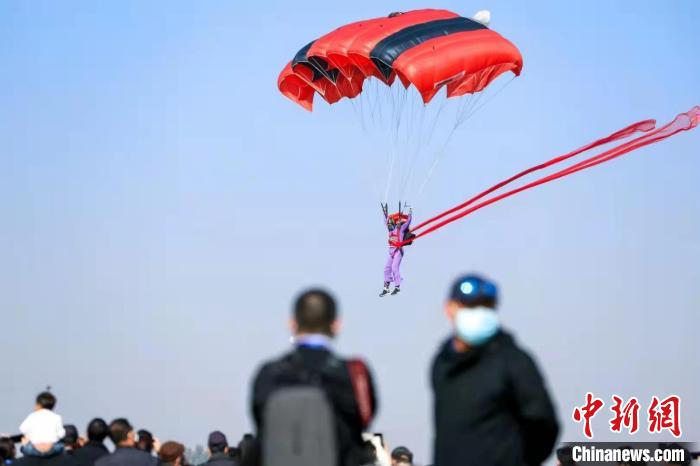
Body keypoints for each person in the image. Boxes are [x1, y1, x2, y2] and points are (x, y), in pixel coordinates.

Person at [431, 274, 559, 466]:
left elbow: (543, 423)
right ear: (450, 309)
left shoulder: (513, 360)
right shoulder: (442, 365)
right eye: (471, 306)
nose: (480, 312)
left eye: (487, 306)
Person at [251, 289, 378, 466]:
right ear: (336, 324)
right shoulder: (355, 375)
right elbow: (364, 420)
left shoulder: (268, 375)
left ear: (292, 324)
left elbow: (260, 423)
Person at [19, 392, 66, 457]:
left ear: (38, 405)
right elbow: (61, 434)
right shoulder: (57, 417)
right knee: (61, 446)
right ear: (53, 406)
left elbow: (22, 429)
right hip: (51, 450)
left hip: (34, 450)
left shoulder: (32, 416)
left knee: (24, 447)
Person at [380, 204, 413, 297]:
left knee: (394, 268)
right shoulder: (389, 230)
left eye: (390, 225)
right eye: (388, 225)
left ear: (394, 224)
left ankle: (397, 286)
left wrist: (410, 212)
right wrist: (384, 212)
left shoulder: (400, 229)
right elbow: (385, 221)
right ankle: (386, 288)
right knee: (386, 268)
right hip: (391, 252)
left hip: (398, 251)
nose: (389, 226)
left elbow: (408, 222)